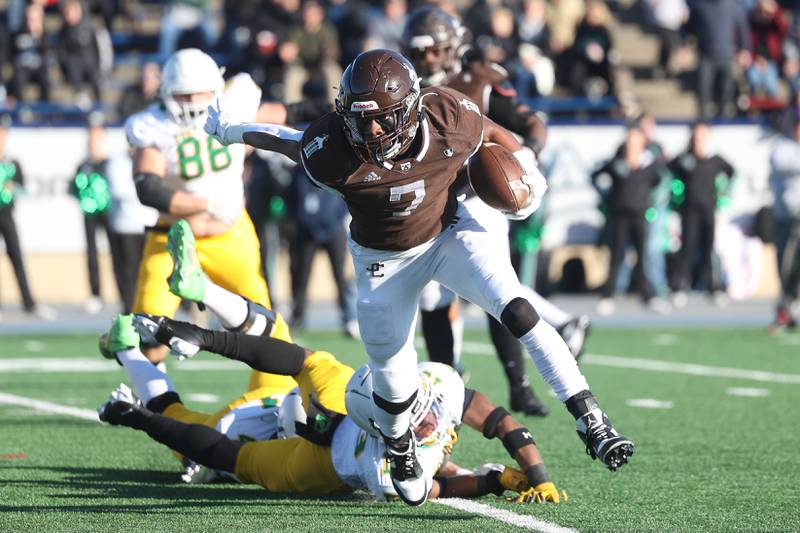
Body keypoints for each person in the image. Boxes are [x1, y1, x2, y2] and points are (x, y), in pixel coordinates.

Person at [203, 48, 634, 506]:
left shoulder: (447, 112)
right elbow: (283, 139)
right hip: (383, 259)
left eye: (382, 118)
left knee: (517, 308)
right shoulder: (331, 150)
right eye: (360, 119)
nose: (369, 130)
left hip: (451, 234)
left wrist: (528, 176)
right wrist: (228, 130)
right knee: (392, 373)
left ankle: (590, 416)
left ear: (410, 108)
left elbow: (499, 136)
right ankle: (400, 446)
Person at [97, 309, 565, 503]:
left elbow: (500, 420)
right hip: (329, 465)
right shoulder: (386, 466)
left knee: (300, 358)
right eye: (410, 421)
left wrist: (205, 336)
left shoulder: (418, 384)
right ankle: (136, 414)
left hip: (334, 412)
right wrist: (492, 481)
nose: (425, 421)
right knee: (229, 459)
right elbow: (439, 483)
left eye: (417, 408)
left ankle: (151, 369)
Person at [400, 7, 591, 419]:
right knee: (433, 297)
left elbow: (530, 122)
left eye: (434, 52)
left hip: (478, 197)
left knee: (496, 288)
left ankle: (519, 386)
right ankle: (446, 384)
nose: (428, 61)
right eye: (421, 52)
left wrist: (526, 159)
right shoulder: (403, 85)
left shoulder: (479, 79)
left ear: (452, 47)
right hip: (429, 202)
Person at [124, 48, 293, 397]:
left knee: (263, 319)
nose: (192, 102)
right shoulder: (153, 126)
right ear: (166, 91)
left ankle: (270, 392)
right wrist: (206, 202)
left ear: (216, 87)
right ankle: (156, 400)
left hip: (230, 234)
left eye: (200, 93)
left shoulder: (235, 102)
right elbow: (148, 188)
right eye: (184, 94)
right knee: (147, 328)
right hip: (174, 236)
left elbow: (282, 114)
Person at [594, 125, 665, 314]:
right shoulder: (617, 163)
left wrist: (651, 203)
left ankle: (648, 295)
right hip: (620, 217)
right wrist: (607, 198)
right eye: (629, 140)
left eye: (636, 140)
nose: (632, 144)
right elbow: (597, 175)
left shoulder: (649, 164)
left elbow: (661, 182)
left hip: (640, 215)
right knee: (617, 256)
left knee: (644, 256)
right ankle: (608, 295)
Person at [286, 164, 357, 337]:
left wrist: (335, 219)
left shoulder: (332, 166)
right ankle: (298, 318)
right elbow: (290, 199)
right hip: (306, 232)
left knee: (340, 276)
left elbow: (344, 197)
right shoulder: (298, 171)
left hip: (333, 231)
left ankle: (349, 318)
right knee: (301, 276)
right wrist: (299, 221)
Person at [668, 121, 734, 306]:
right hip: (689, 211)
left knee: (708, 250)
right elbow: (667, 170)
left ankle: (713, 288)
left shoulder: (715, 160)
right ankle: (679, 287)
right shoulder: (684, 159)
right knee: (687, 250)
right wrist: (676, 195)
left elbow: (731, 172)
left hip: (708, 210)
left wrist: (723, 192)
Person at [0, 114, 53, 319]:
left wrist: (13, 187)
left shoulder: (13, 163)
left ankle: (28, 302)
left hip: (7, 215)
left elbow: (24, 189)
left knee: (16, 257)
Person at [71, 121, 114, 314]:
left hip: (110, 212)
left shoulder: (110, 163)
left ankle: (123, 290)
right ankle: (95, 293)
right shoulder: (83, 165)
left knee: (118, 253)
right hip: (89, 213)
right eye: (90, 138)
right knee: (91, 252)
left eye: (96, 138)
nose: (92, 142)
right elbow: (72, 188)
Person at [768, 114, 800, 330]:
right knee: (786, 265)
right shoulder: (783, 148)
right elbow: (784, 164)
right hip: (789, 219)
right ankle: (784, 308)